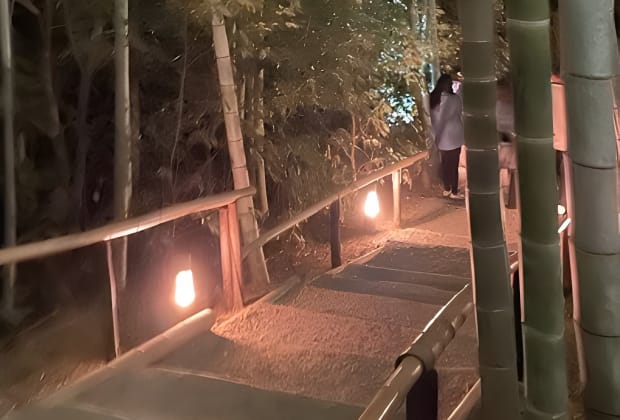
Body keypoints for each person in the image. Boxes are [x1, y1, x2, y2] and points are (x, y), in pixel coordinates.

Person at [430, 74, 465, 200]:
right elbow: (459, 113)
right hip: (454, 136)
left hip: (440, 137)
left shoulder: (433, 98)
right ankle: (454, 191)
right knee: (453, 165)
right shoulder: (454, 99)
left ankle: (446, 189)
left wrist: (436, 136)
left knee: (445, 163)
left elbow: (433, 119)